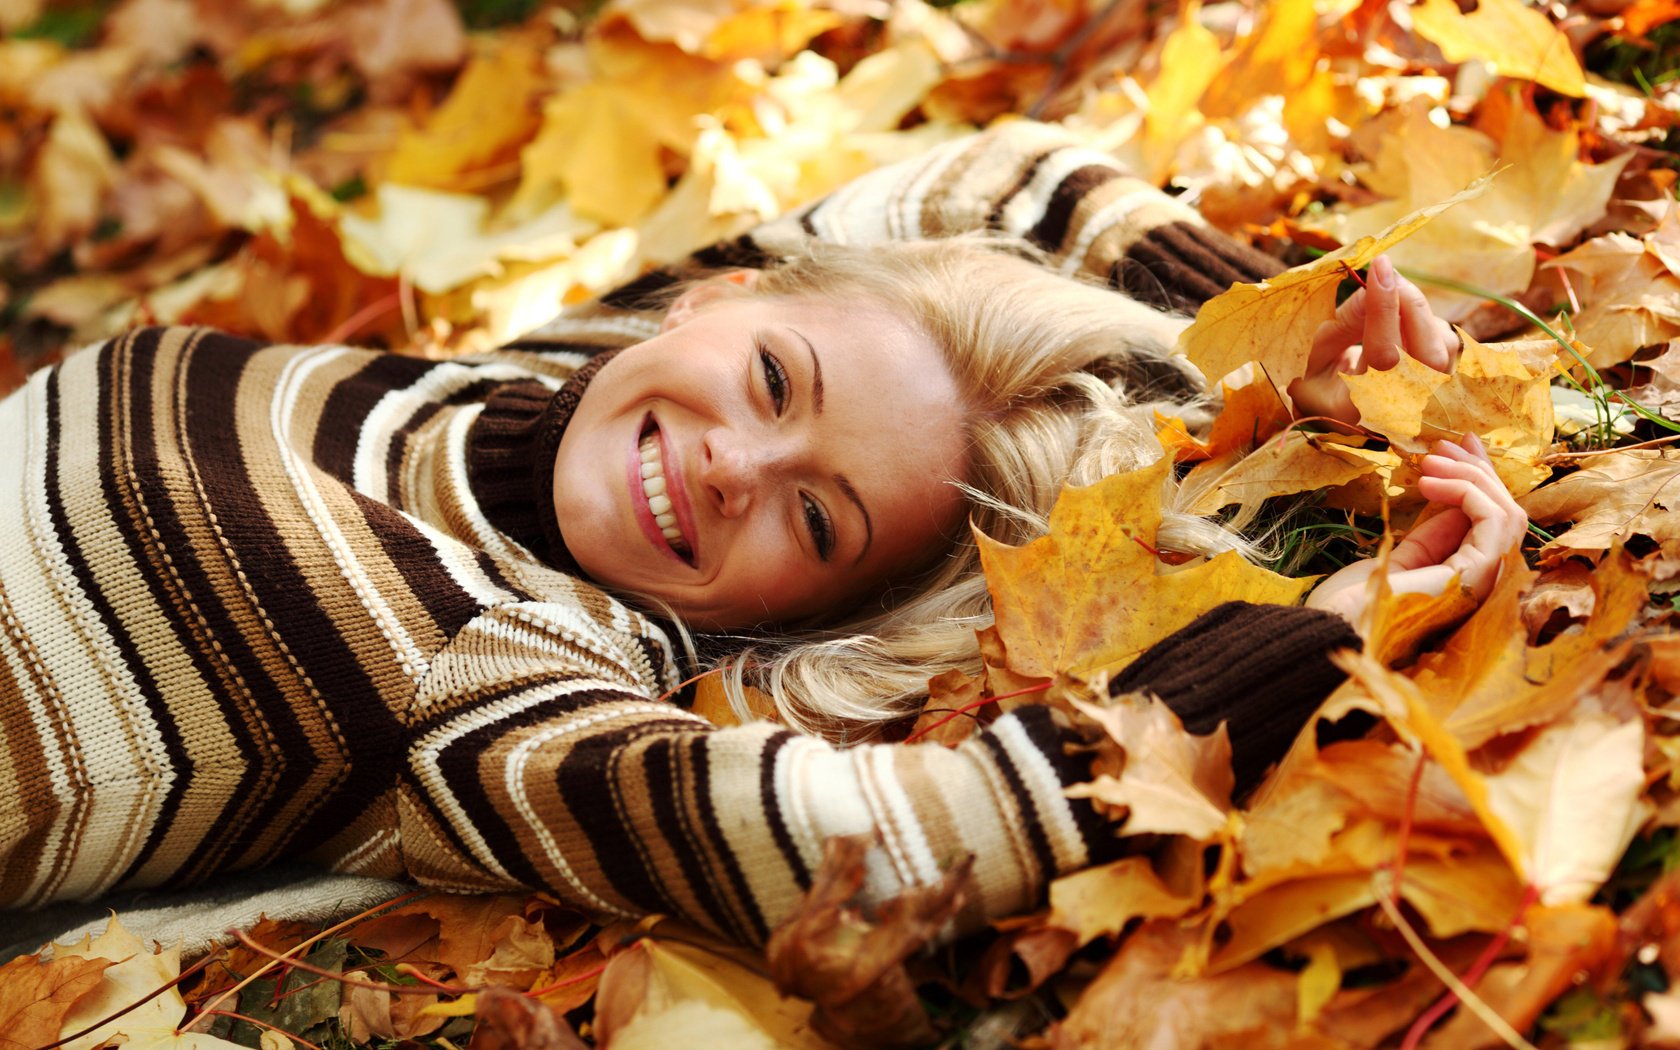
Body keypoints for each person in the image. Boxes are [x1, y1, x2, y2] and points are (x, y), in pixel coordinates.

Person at [0, 123, 1523, 945]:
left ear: (810, 608)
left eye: (817, 514)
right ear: (716, 296)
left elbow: (885, 841)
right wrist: (1269, 332)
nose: (734, 464)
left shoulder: (505, 660)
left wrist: (1336, 620)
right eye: (776, 380)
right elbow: (1003, 173)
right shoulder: (553, 374)